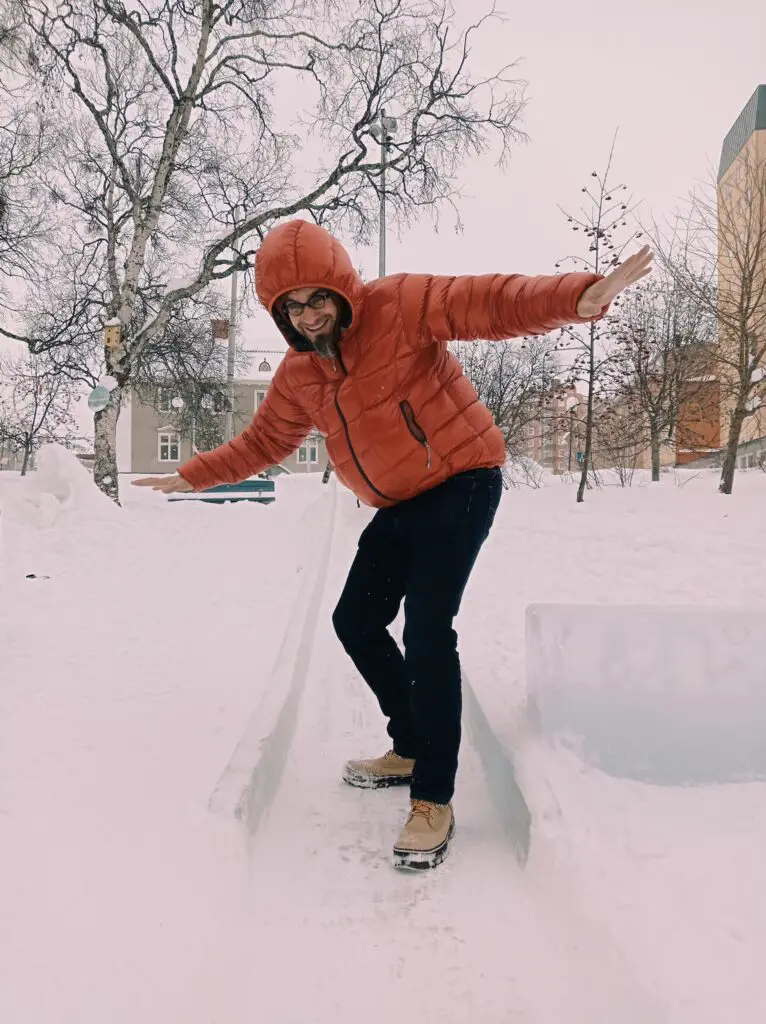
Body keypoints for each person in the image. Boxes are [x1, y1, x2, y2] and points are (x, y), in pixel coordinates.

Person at [135, 220, 652, 870]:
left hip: (463, 478)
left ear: (343, 288)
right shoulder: (299, 375)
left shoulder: (399, 306)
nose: (310, 314)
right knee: (355, 619)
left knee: (428, 628)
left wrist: (575, 297)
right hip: (401, 502)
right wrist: (190, 474)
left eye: (318, 297)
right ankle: (410, 743)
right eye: (291, 306)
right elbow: (264, 443)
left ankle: (433, 795)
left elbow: (491, 301)